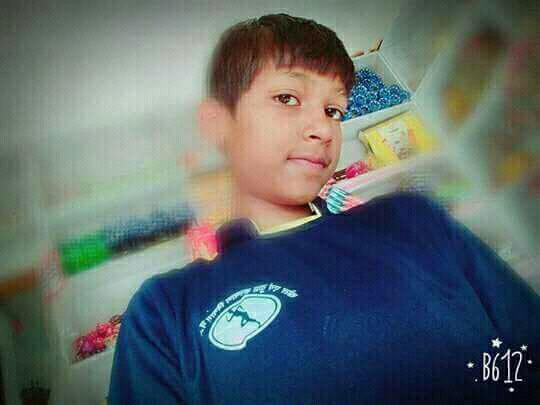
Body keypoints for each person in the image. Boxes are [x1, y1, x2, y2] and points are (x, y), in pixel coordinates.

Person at [108, 13, 540, 404]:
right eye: (288, 98)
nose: (324, 128)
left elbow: (525, 354)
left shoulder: (412, 218)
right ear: (219, 123)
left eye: (333, 109)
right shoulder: (166, 311)